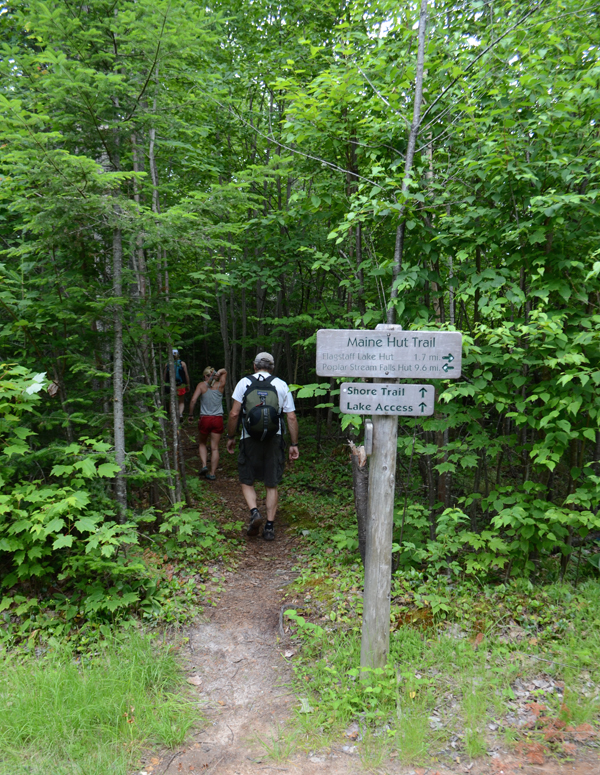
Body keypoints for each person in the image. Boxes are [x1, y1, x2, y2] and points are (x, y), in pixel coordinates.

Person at [226, 352, 299, 541]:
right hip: (274, 439)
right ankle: (269, 527)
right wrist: (294, 444)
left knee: (246, 479)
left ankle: (254, 512)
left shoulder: (244, 383)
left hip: (249, 438)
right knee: (271, 482)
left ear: (254, 365)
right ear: (272, 367)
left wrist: (231, 436)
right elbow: (291, 417)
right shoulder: (281, 385)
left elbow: (234, 414)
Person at [188, 366, 227, 481]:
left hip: (205, 418)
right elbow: (225, 371)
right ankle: (212, 473)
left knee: (202, 443)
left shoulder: (201, 385)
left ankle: (204, 465)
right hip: (218, 419)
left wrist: (190, 415)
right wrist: (219, 373)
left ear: (205, 376)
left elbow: (193, 400)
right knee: (214, 448)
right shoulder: (220, 385)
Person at [164, 349, 190, 422]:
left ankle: (173, 419)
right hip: (180, 385)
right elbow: (186, 375)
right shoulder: (182, 363)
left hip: (170, 385)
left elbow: (165, 376)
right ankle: (180, 414)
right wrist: (188, 385)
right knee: (181, 401)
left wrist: (164, 385)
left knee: (171, 402)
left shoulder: (167, 364)